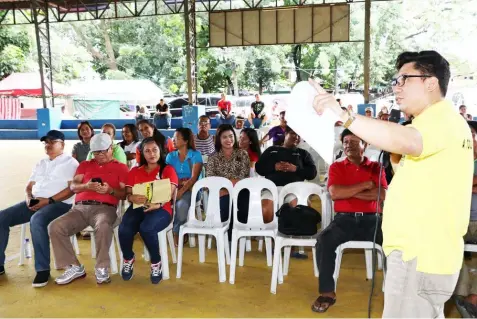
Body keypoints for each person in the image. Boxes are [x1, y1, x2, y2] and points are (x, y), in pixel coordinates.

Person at [310, 50, 473, 317]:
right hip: (422, 252)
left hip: (419, 253)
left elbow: (409, 141)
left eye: (404, 79)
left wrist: (343, 115)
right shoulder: (435, 124)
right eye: (395, 81)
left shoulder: (441, 120)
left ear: (430, 82)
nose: (396, 87)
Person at [311, 129, 387, 313]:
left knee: (396, 244)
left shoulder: (377, 168)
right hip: (344, 220)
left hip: (372, 220)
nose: (349, 145)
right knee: (324, 240)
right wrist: (365, 186)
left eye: (354, 141)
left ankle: (394, 290)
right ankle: (327, 292)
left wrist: (350, 192)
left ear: (365, 145)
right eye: (345, 142)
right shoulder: (336, 167)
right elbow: (335, 193)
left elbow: (382, 194)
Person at [0, 130, 78, 287]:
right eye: (46, 142)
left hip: (59, 204)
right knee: (2, 217)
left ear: (62, 144)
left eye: (52, 142)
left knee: (37, 220)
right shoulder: (41, 163)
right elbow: (29, 186)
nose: (48, 145)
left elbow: (71, 189)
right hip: (35, 202)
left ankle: (42, 270)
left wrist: (48, 201)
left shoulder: (71, 163)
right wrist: (29, 198)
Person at [49, 133, 129, 285]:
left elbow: (125, 194)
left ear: (111, 148)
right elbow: (73, 186)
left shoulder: (121, 168)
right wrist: (86, 186)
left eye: (103, 151)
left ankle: (102, 267)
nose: (100, 155)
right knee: (55, 227)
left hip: (105, 209)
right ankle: (74, 267)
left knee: (103, 225)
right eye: (96, 152)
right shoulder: (85, 165)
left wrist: (110, 191)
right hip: (79, 209)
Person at [119, 137, 178, 284]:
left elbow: (170, 194)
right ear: (142, 154)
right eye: (147, 151)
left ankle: (156, 262)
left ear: (160, 151)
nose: (152, 154)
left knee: (147, 228)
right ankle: (128, 258)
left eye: (155, 150)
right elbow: (127, 192)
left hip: (162, 209)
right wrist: (131, 197)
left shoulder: (167, 169)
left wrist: (156, 205)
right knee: (124, 228)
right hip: (138, 207)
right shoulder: (134, 171)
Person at [255, 126, 317, 222]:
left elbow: (312, 173)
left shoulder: (303, 154)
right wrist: (274, 167)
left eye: (298, 135)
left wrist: (295, 169)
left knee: (296, 211)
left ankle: (288, 233)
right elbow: (259, 168)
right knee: (266, 210)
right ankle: (270, 235)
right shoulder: (271, 150)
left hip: (294, 190)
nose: (296, 137)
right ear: (285, 134)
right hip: (272, 188)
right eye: (293, 133)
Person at [206, 124, 250, 239]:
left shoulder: (242, 154)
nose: (229, 140)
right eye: (224, 137)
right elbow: (211, 179)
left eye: (231, 136)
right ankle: (227, 239)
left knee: (244, 207)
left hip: (240, 191)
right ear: (219, 139)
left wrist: (226, 188)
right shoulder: (213, 157)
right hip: (220, 193)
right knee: (224, 206)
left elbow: (243, 177)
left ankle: (238, 236)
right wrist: (225, 188)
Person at [453, 120, 477, 318]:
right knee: (446, 249)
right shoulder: (450, 160)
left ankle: (474, 297)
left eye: (472, 135)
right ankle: (462, 297)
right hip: (454, 220)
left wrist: (463, 184)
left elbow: (460, 185)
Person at [166, 128, 203, 245]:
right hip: (173, 187)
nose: (173, 140)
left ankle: (177, 231)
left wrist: (181, 191)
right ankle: (172, 227)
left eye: (176, 138)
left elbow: (193, 178)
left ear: (185, 141)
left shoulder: (195, 155)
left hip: (192, 189)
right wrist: (178, 184)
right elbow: (167, 176)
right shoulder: (171, 156)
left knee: (181, 204)